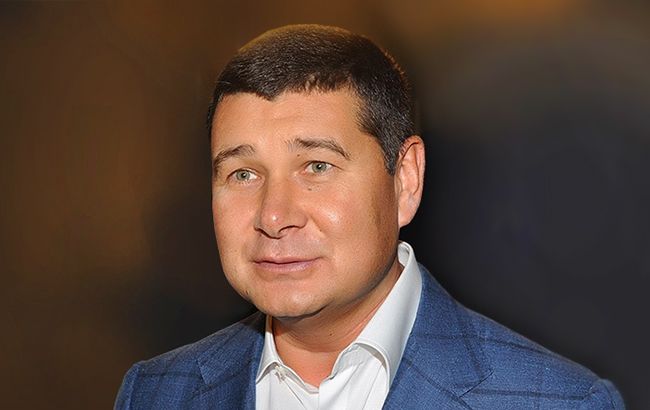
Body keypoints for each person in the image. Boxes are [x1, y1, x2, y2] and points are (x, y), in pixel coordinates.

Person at [115, 24, 624, 409]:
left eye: (316, 167)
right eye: (243, 174)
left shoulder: (558, 401)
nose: (273, 216)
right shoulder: (155, 393)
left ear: (405, 179)